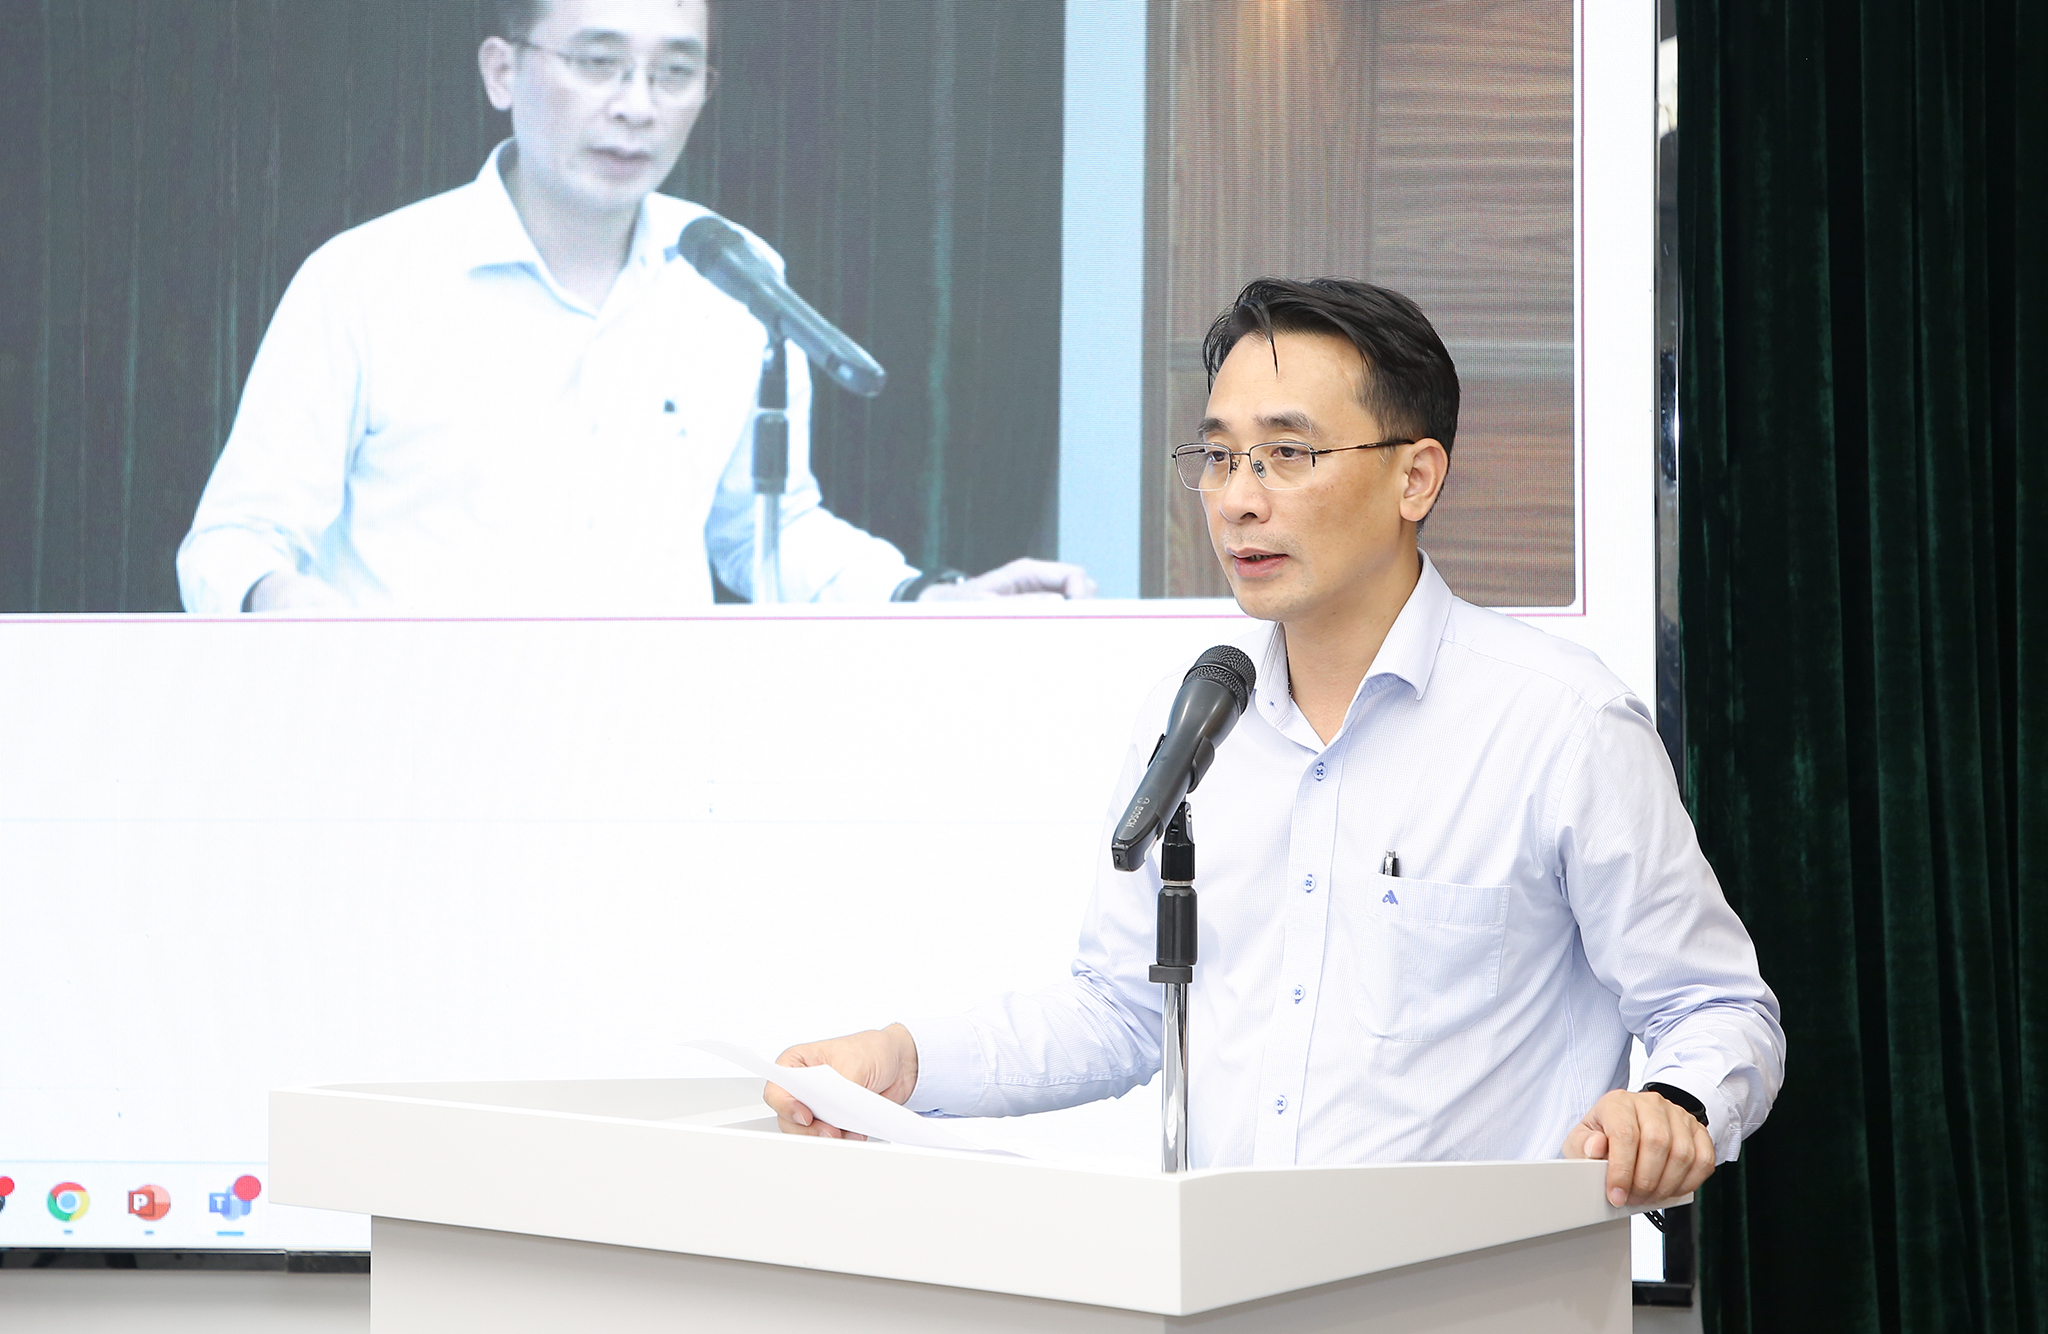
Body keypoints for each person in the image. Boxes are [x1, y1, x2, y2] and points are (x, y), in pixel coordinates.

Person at [766, 278, 1784, 1208]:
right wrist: (903, 1061)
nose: (1238, 498)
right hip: (1227, 1301)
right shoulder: (1194, 719)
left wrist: (1672, 1108)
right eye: (1218, 456)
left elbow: (1714, 1004)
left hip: (1469, 1305)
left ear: (1415, 477)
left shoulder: (1559, 724)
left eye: (1287, 454)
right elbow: (1123, 1010)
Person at [175, 0, 1092, 615]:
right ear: (502, 71)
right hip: (412, 762)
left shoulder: (733, 275)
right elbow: (231, 543)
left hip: (652, 769)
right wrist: (293, 610)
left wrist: (929, 598)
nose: (636, 107)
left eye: (674, 72)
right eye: (598, 63)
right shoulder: (367, 281)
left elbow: (765, 534)